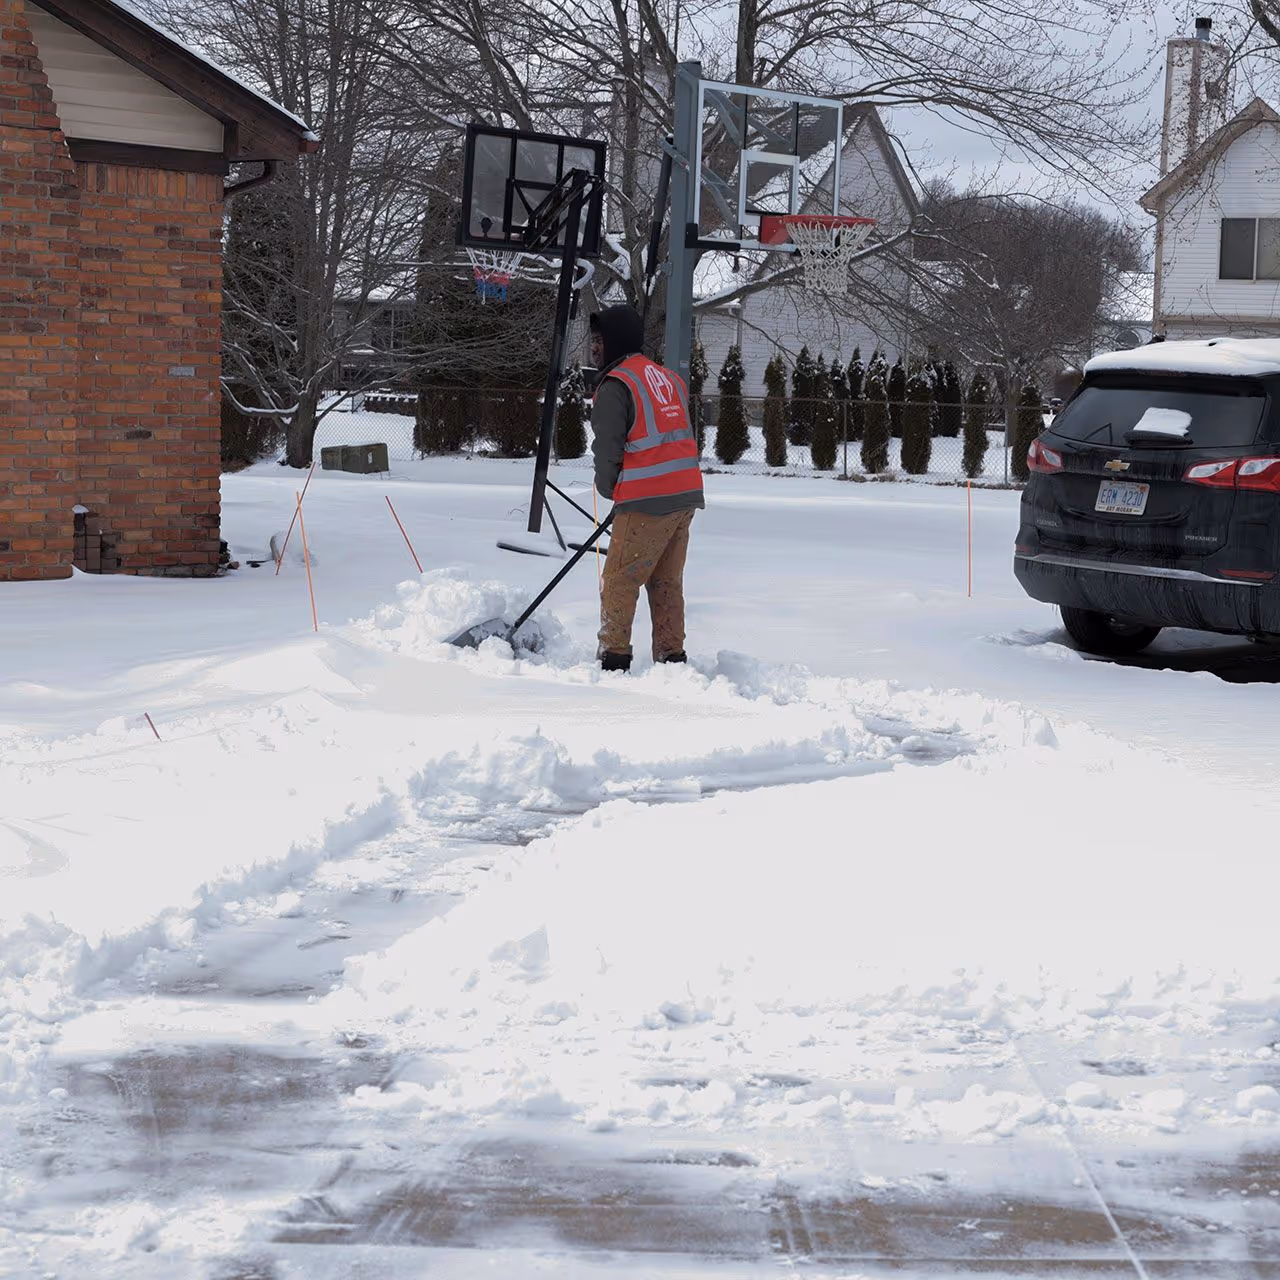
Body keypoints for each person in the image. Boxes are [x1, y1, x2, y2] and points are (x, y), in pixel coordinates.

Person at [589, 305, 705, 673]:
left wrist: (609, 488)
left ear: (616, 341)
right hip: (685, 494)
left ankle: (614, 656)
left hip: (646, 500)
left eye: (599, 340)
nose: (594, 348)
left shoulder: (617, 385)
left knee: (621, 577)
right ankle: (672, 656)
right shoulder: (668, 378)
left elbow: (608, 446)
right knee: (666, 579)